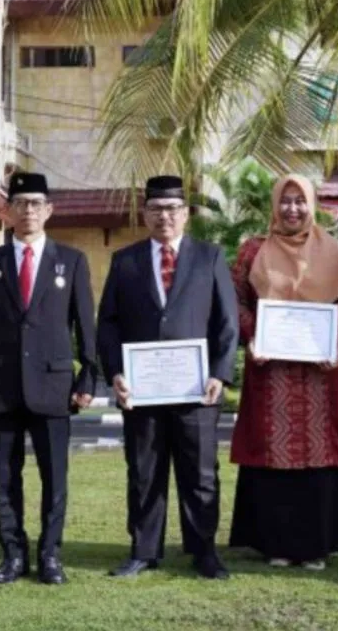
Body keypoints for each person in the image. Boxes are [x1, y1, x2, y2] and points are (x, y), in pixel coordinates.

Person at [98, 175, 239, 580]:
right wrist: (115, 373)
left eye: (173, 209)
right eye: (157, 209)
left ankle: (204, 551)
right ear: (145, 214)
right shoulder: (125, 261)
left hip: (197, 390)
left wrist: (220, 374)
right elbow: (108, 324)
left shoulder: (209, 257)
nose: (165, 216)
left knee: (201, 473)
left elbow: (227, 322)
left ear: (186, 214)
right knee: (144, 472)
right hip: (142, 391)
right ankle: (144, 550)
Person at [0, 172, 97, 586]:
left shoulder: (71, 260)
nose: (29, 211)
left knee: (55, 477)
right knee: (6, 477)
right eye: (20, 203)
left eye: (36, 203)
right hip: (2, 385)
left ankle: (50, 555)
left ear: (49, 210)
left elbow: (84, 326)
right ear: (7, 211)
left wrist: (88, 379)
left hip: (54, 387)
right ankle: (12, 555)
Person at [228, 174, 338, 569]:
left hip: (319, 375)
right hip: (270, 372)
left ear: (312, 205)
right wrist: (253, 335)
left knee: (319, 451)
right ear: (275, 205)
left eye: (300, 201)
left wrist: (336, 344)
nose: (292, 209)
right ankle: (275, 544)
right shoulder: (253, 250)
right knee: (272, 450)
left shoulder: (334, 251)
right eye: (285, 201)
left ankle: (316, 546)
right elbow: (235, 299)